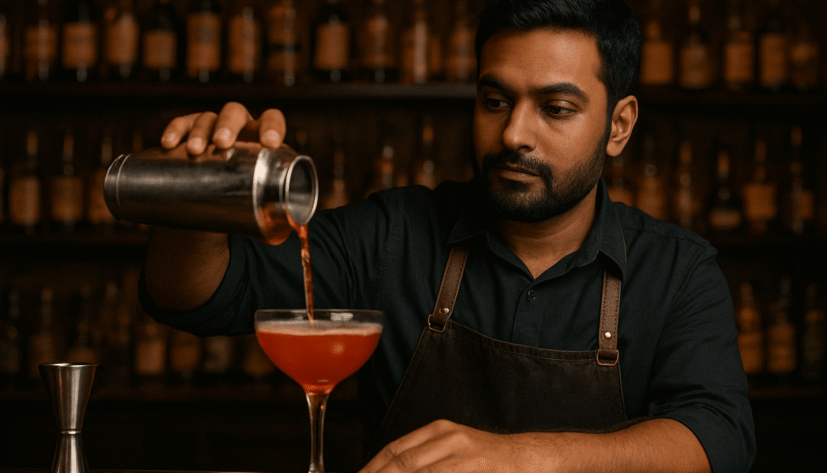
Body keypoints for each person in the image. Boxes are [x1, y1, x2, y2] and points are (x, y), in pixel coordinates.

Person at [142, 0, 755, 471]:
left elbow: (718, 437)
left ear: (618, 126)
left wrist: (519, 459)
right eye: (495, 100)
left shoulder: (677, 270)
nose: (514, 132)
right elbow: (197, 297)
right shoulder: (391, 235)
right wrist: (196, 196)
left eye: (555, 108)